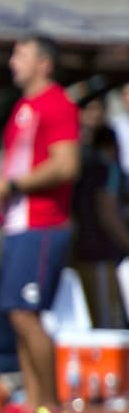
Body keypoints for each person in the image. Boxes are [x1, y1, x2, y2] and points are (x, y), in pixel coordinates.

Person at [0, 34, 80, 413]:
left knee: (26, 314)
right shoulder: (23, 107)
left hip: (44, 223)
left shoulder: (58, 105)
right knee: (17, 315)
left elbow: (65, 165)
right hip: (19, 224)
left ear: (44, 64)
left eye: (21, 53)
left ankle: (52, 408)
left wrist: (12, 186)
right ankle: (34, 408)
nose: (12, 60)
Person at [71, 99, 129, 328]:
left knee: (98, 319)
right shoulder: (107, 170)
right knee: (109, 323)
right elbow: (108, 212)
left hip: (86, 251)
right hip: (101, 253)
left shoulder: (86, 169)